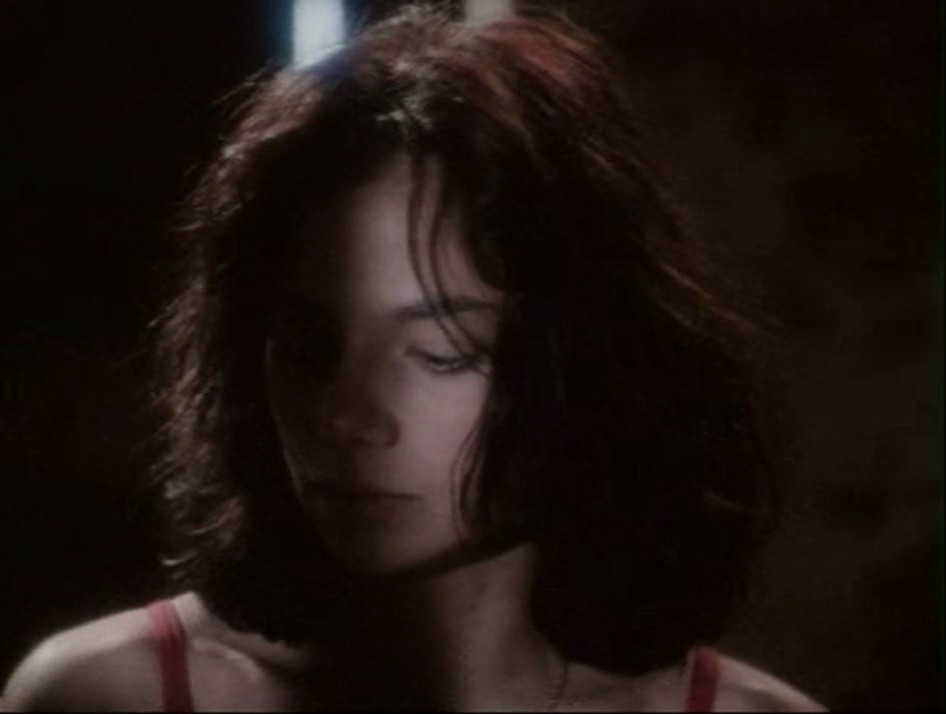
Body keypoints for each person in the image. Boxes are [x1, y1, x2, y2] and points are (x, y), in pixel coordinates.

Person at [3, 5, 825, 711]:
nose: (347, 415)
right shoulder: (111, 695)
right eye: (309, 346)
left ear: (589, 366)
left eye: (441, 351)